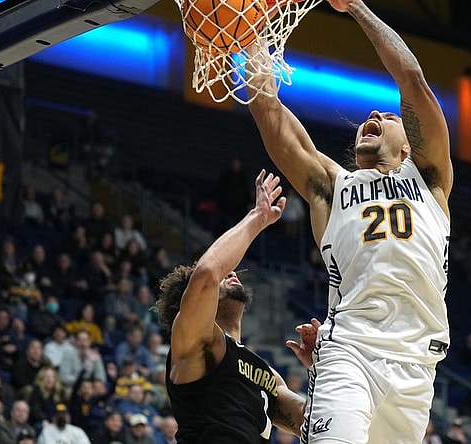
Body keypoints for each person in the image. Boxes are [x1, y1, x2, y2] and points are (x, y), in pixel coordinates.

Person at [247, 0, 452, 441]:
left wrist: (357, 7)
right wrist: (250, 42)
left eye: (387, 117)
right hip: (349, 351)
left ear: (407, 149)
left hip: (418, 368)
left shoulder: (429, 179)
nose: (373, 117)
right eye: (368, 118)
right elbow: (270, 115)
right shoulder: (332, 187)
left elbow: (412, 81)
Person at [153, 170, 305, 442]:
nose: (233, 272)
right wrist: (257, 218)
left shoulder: (268, 376)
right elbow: (207, 272)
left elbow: (311, 421)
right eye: (225, 276)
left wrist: (321, 369)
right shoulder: (195, 342)